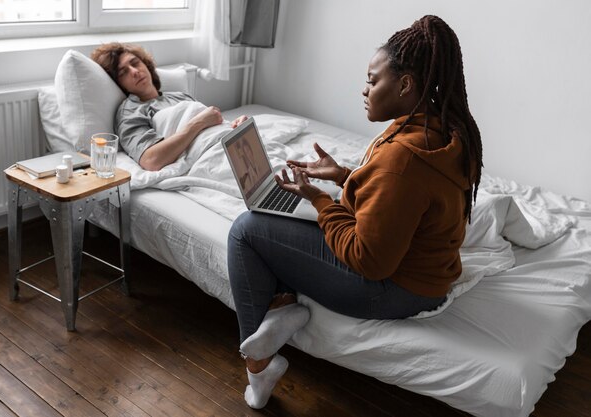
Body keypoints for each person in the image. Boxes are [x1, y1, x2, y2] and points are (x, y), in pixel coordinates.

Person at [227, 15, 483, 409]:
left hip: (395, 290)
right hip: (427, 274)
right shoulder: (443, 128)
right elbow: (401, 200)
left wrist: (319, 199)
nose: (364, 90)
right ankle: (280, 308)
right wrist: (348, 177)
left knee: (246, 229)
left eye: (372, 79)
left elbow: (369, 261)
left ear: (405, 84)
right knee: (277, 223)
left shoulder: (403, 157)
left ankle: (258, 367)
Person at [91, 43, 247, 171]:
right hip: (213, 158)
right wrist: (198, 123)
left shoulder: (179, 96)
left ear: (145, 63)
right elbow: (150, 160)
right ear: (118, 83)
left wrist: (237, 125)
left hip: (232, 143)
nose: (134, 72)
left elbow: (211, 125)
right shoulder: (131, 110)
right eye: (123, 72)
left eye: (135, 63)